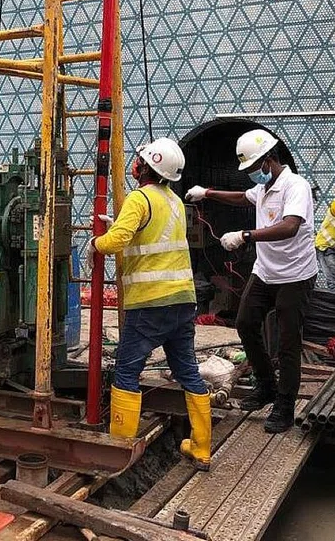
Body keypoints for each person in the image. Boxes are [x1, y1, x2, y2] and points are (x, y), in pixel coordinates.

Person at [88, 138, 211, 470]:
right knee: (188, 371)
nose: (134, 163)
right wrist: (119, 227)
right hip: (183, 301)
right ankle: (201, 448)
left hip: (150, 303)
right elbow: (151, 237)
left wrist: (95, 242)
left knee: (127, 371)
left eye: (139, 159)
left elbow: (116, 242)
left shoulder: (138, 198)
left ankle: (119, 450)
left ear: (145, 167)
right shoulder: (172, 202)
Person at [185, 129, 316, 433]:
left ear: (269, 159)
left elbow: (290, 227)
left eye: (255, 167)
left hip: (295, 275)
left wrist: (246, 236)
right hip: (266, 271)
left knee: (287, 342)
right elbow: (244, 198)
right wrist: (208, 192)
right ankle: (266, 385)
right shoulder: (265, 187)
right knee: (245, 323)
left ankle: (285, 406)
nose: (253, 174)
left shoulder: (296, 186)